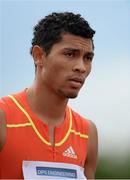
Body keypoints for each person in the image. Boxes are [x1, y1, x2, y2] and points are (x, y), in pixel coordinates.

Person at [0, 12, 98, 179]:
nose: (81, 67)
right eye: (70, 54)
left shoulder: (87, 132)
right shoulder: (3, 118)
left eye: (87, 58)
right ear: (38, 56)